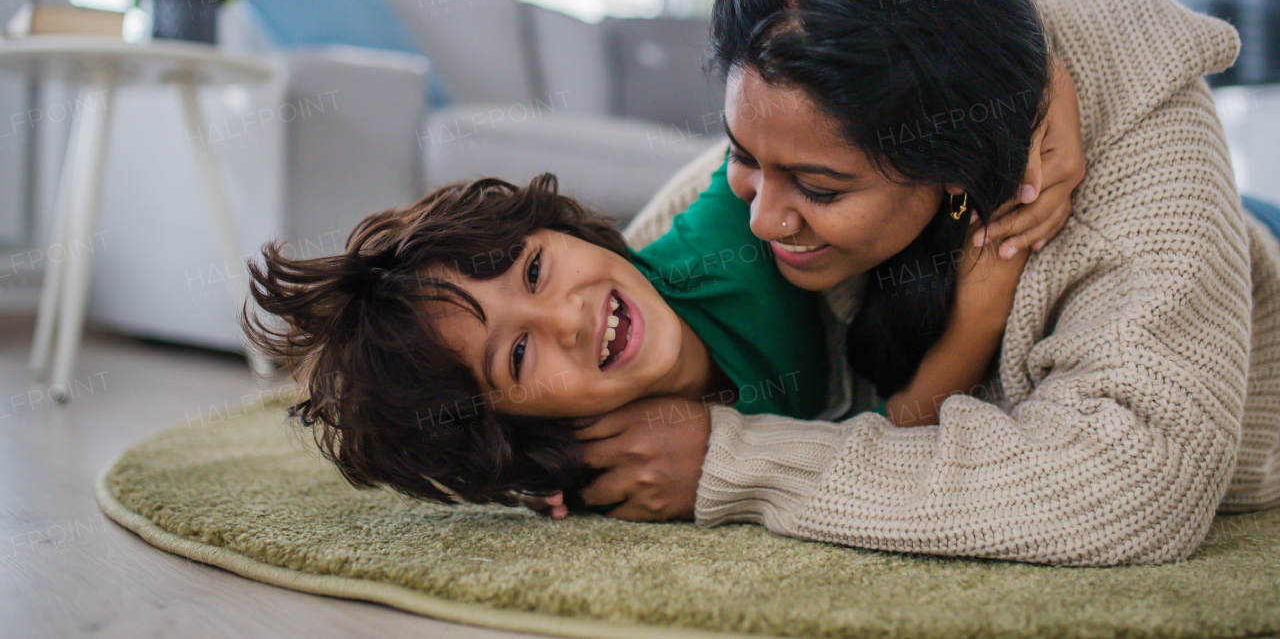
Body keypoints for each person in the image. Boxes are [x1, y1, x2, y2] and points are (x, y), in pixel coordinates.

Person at [535, 0, 1280, 567]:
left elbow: (1131, 489)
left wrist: (737, 461)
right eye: (740, 152)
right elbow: (614, 292)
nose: (762, 219)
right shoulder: (802, 127)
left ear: (952, 166)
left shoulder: (1152, 181)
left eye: (820, 189)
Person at [238, 89, 1081, 514]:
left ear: (562, 229)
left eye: (535, 271)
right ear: (520, 425)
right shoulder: (610, 467)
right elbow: (899, 446)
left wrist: (1047, 93)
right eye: (519, 356)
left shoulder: (723, 231)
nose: (568, 317)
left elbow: (793, 102)